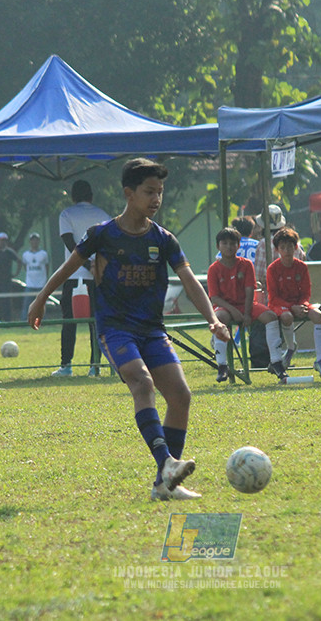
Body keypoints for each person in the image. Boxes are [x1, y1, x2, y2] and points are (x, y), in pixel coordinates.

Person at [27, 158, 230, 501]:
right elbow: (69, 266)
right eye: (149, 192)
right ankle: (167, 463)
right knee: (142, 382)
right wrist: (40, 298)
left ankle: (164, 484)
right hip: (116, 329)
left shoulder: (163, 239)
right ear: (128, 193)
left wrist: (212, 318)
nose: (156, 199)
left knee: (180, 396)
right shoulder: (102, 234)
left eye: (160, 192)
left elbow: (189, 281)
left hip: (152, 330)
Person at [208, 227, 288, 382]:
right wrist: (234, 311)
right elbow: (215, 298)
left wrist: (246, 313)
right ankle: (222, 366)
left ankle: (276, 362)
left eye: (233, 243)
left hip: (246, 305)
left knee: (271, 317)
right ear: (218, 246)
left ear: (238, 245)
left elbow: (250, 290)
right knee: (220, 317)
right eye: (225, 243)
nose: (229, 247)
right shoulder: (214, 269)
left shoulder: (246, 264)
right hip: (225, 307)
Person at [53, 179, 110, 377]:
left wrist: (85, 264)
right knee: (96, 321)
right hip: (97, 277)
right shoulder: (103, 216)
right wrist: (95, 266)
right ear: (91, 196)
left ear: (73, 197)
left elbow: (70, 244)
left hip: (73, 275)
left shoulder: (66, 214)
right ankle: (95, 366)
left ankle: (66, 366)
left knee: (69, 321)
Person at [266, 227, 321, 379]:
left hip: (299, 304)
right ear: (277, 250)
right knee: (287, 317)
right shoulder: (272, 269)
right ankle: (290, 348)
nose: (287, 251)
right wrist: (291, 307)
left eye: (290, 246)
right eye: (283, 247)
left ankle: (320, 361)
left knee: (319, 316)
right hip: (280, 304)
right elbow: (273, 296)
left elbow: (306, 292)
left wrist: (302, 305)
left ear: (295, 247)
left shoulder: (301, 266)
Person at [253, 204, 304, 302]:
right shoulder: (294, 243)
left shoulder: (264, 243)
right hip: (295, 297)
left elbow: (259, 275)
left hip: (271, 298)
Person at [22, 232, 50, 313]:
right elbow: (25, 266)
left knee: (41, 304)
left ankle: (42, 319)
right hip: (30, 284)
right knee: (27, 304)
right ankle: (25, 318)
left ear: (38, 241)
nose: (34, 242)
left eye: (36, 240)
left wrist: (45, 278)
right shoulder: (25, 254)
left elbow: (47, 266)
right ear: (30, 242)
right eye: (32, 240)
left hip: (41, 284)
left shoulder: (44, 254)